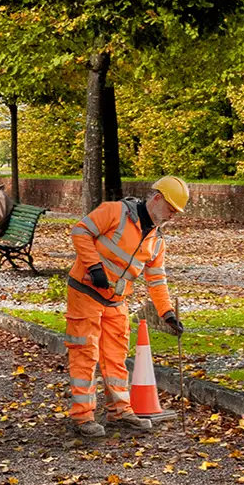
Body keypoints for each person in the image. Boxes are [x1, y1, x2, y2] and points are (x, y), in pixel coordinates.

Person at [64, 175, 189, 439]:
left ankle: (119, 411)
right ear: (156, 199)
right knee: (85, 355)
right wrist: (94, 267)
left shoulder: (156, 240)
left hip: (116, 300)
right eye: (171, 209)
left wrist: (167, 313)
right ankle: (83, 417)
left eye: (176, 212)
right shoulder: (115, 211)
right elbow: (80, 231)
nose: (172, 216)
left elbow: (156, 279)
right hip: (85, 291)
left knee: (116, 357)